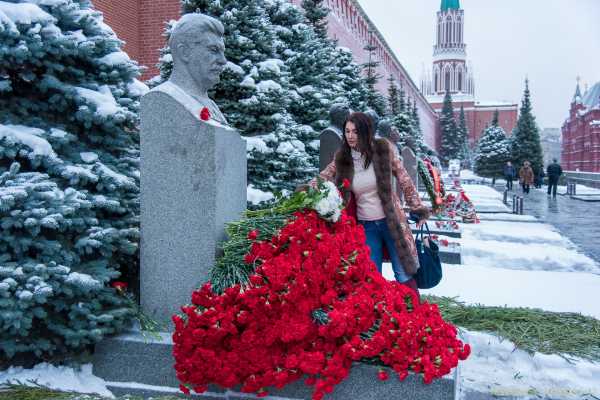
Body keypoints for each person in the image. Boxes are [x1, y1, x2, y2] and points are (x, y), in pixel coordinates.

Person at [313, 112, 430, 291]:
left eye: (355, 131)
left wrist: (417, 207)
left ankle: (414, 315)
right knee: (371, 278)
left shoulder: (383, 149)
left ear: (365, 132)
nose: (350, 136)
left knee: (403, 273)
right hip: (366, 227)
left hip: (391, 222)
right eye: (347, 131)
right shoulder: (342, 157)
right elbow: (324, 176)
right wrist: (307, 191)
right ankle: (380, 316)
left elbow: (404, 178)